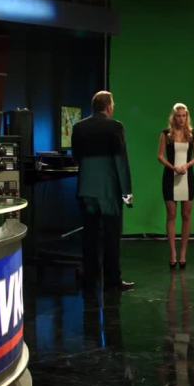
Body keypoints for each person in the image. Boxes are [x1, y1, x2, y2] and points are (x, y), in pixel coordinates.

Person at [72, 90, 134, 292]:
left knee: (89, 237)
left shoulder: (78, 127)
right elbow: (121, 161)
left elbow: (76, 157)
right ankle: (112, 281)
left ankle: (90, 279)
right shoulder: (115, 127)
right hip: (109, 192)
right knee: (111, 237)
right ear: (108, 106)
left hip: (86, 189)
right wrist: (127, 192)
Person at [158, 103, 194, 269]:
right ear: (173, 117)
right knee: (171, 215)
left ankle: (183, 253)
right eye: (178, 116)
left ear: (187, 117)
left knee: (186, 215)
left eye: (184, 116)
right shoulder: (166, 134)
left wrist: (186, 166)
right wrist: (173, 167)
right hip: (170, 177)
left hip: (187, 178)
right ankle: (172, 253)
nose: (181, 119)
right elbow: (160, 156)